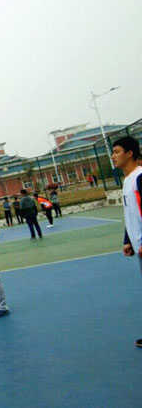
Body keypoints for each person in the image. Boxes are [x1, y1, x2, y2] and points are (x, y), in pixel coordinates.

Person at [111, 136, 142, 348]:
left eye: (117, 151)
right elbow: (131, 212)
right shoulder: (127, 180)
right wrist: (128, 240)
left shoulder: (140, 177)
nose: (113, 156)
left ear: (130, 153)